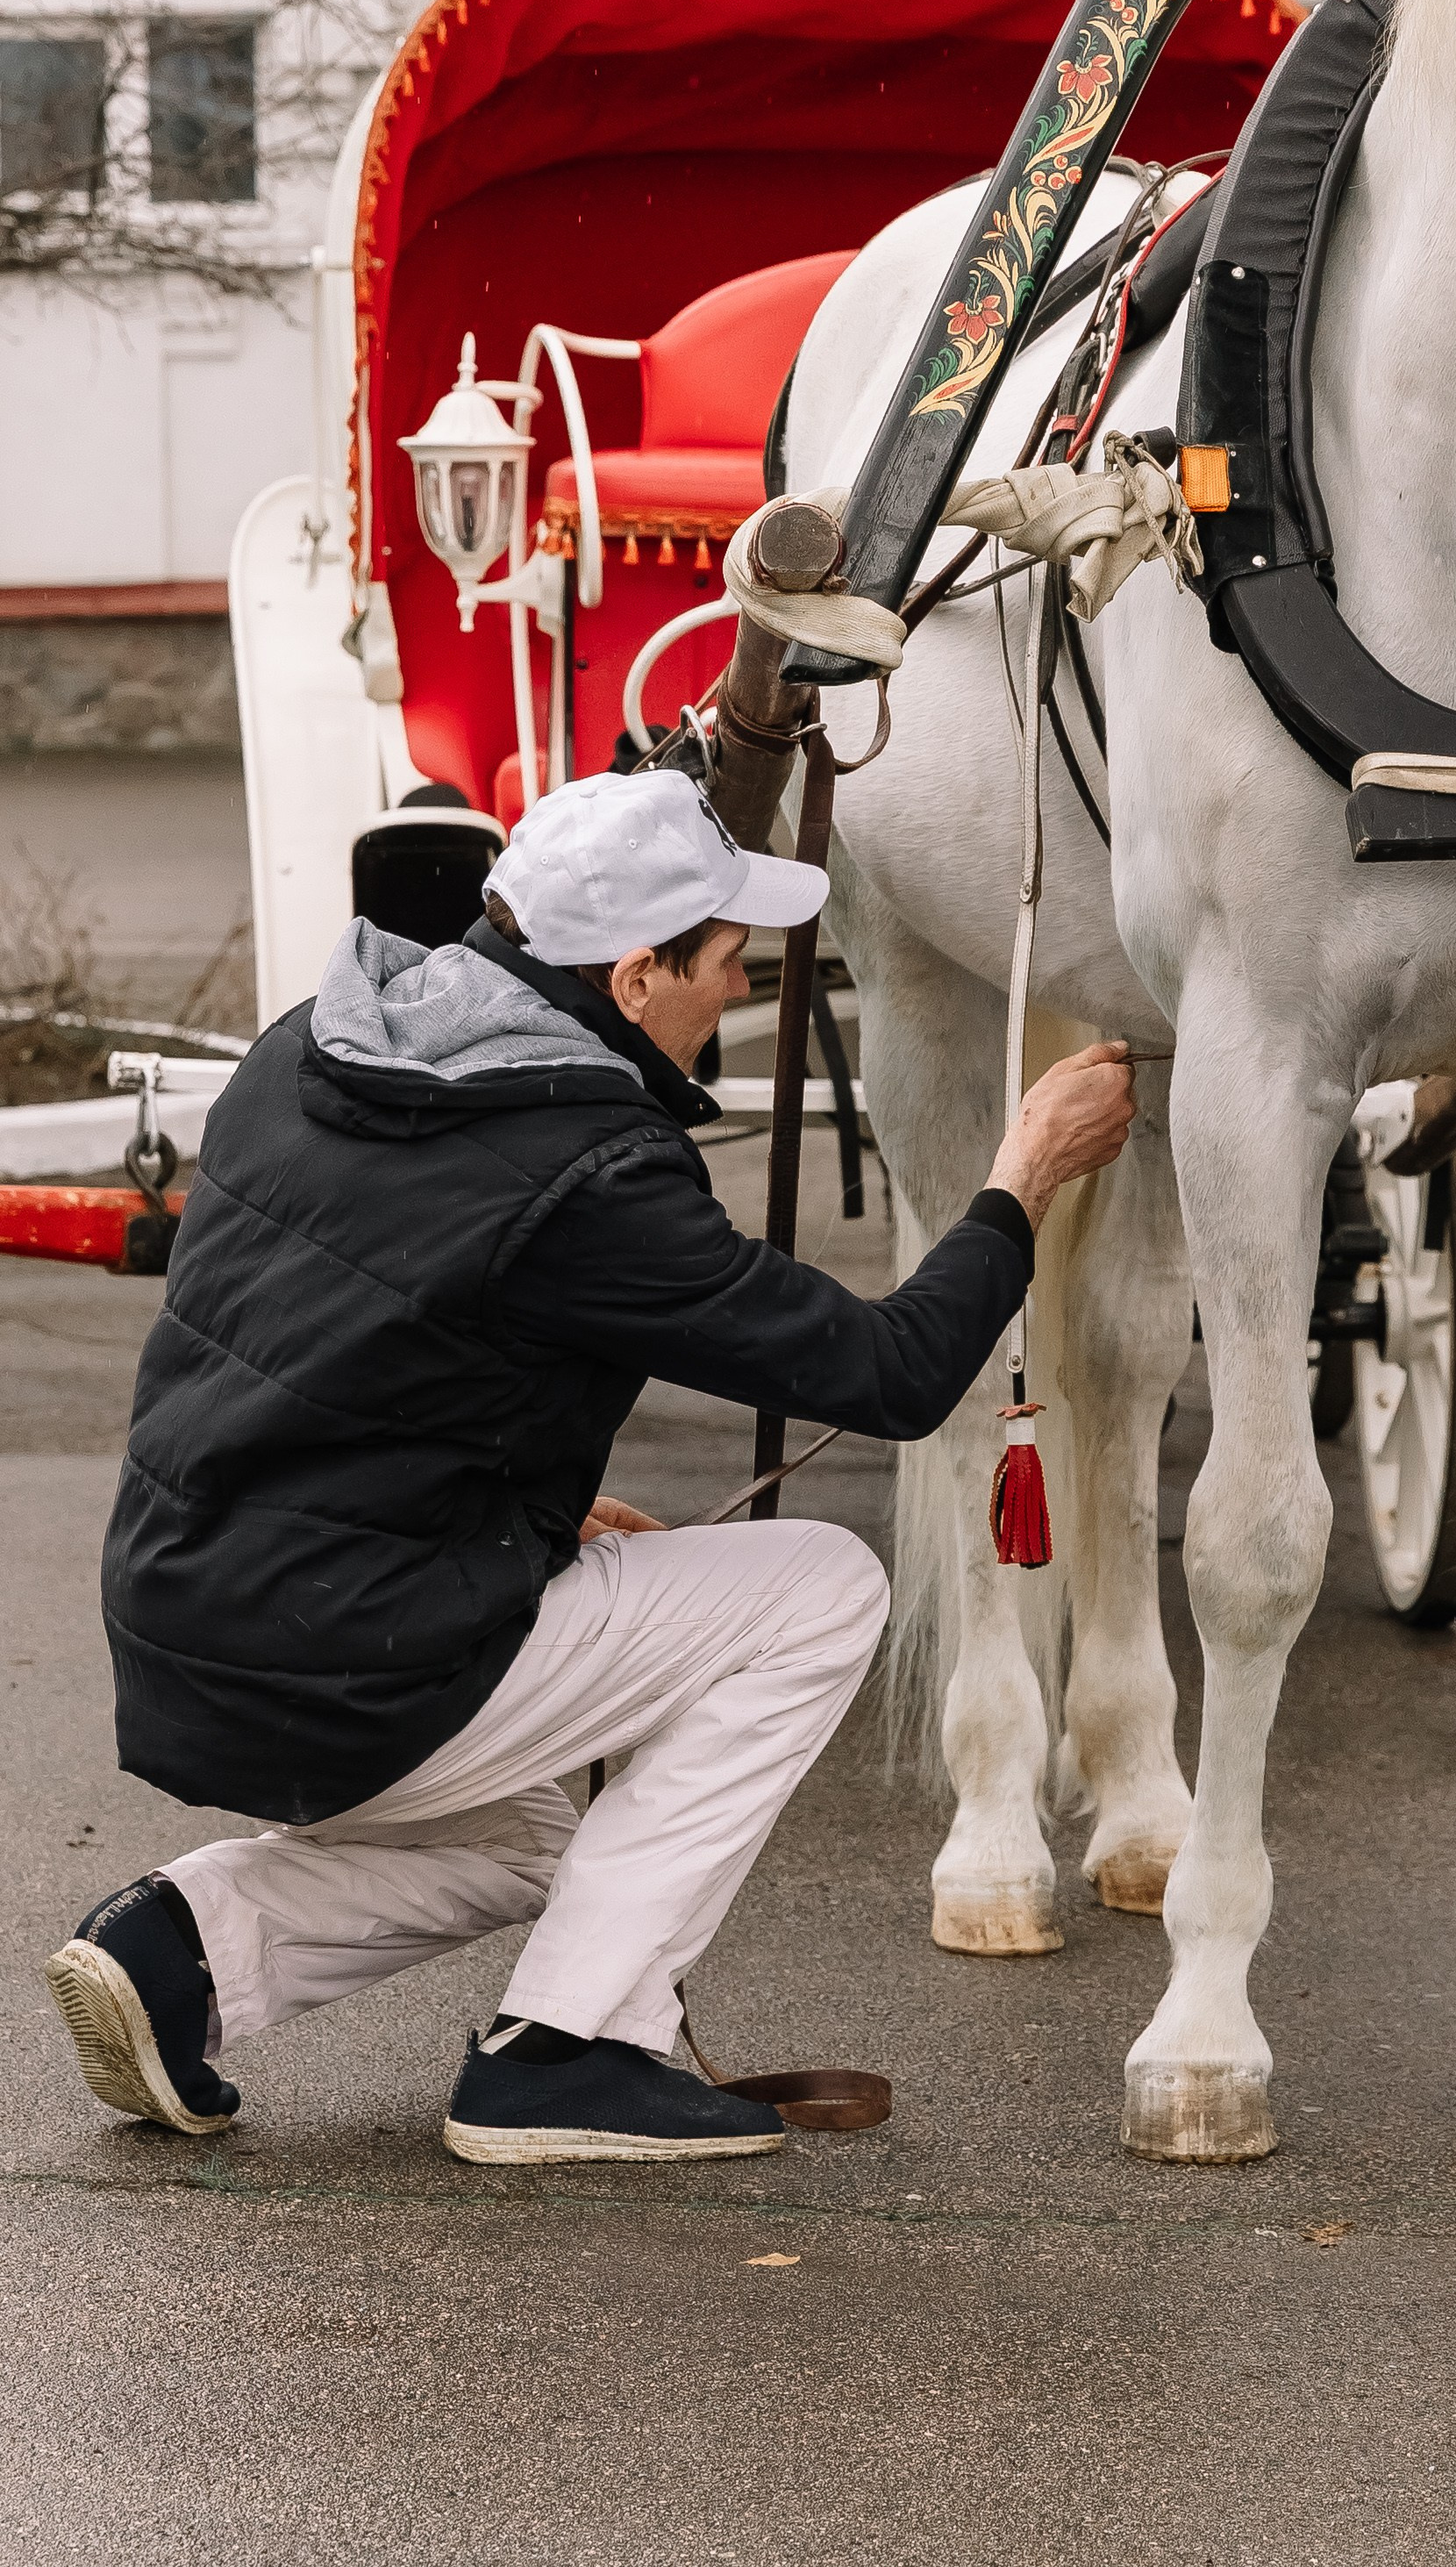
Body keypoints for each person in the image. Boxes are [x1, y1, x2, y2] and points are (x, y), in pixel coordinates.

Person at [46, 769, 1136, 2166]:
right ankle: (572, 2050)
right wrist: (1023, 1177)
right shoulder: (593, 1174)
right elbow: (895, 1376)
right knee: (820, 1585)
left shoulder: (315, 1041)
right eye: (727, 960)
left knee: (534, 1843)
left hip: (191, 1636)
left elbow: (353, 1362)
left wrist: (527, 1515)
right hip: (351, 1661)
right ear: (634, 976)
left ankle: (178, 1952)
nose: (739, 988)